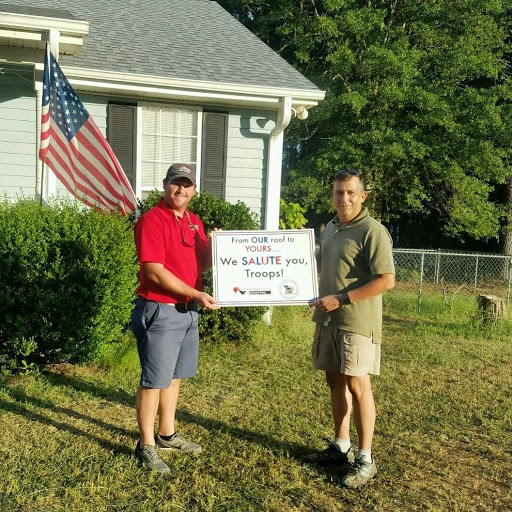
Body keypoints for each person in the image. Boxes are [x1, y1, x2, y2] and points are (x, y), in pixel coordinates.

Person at [307, 169, 395, 488]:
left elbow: (386, 280)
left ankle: (365, 457)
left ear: (362, 196)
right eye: (338, 192)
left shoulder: (373, 231)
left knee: (358, 386)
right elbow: (319, 263)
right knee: (335, 381)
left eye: (349, 193)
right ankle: (341, 445)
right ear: (332, 195)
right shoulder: (330, 227)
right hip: (327, 319)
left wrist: (342, 299)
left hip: (357, 322)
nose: (343, 198)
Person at [131, 163, 220, 473]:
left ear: (194, 190)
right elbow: (154, 271)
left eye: (187, 185)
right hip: (161, 309)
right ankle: (146, 445)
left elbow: (203, 265)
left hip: (188, 312)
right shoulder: (151, 221)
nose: (181, 190)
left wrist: (220, 249)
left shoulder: (194, 222)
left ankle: (167, 434)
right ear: (165, 184)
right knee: (154, 380)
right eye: (176, 183)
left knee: (174, 376)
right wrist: (195, 294)